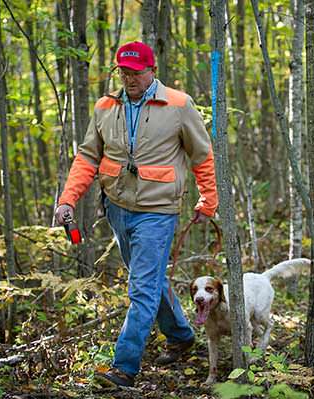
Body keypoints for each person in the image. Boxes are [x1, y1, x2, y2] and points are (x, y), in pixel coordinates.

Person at [54, 41, 218, 388]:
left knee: (141, 287)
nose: (129, 78)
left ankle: (123, 368)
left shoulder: (179, 105)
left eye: (136, 72)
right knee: (151, 279)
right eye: (124, 72)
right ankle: (181, 335)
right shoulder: (105, 106)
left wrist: (209, 200)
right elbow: (87, 157)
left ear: (151, 70)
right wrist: (68, 198)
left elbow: (202, 155)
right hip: (117, 208)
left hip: (157, 212)